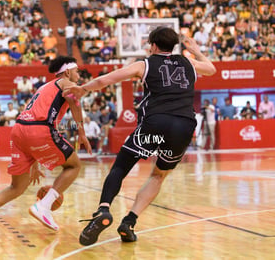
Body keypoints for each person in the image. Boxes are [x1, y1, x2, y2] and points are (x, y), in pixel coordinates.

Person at [63, 27, 216, 246]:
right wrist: (196, 51)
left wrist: (83, 89)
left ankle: (103, 210)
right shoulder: (189, 63)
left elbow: (106, 80)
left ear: (153, 45)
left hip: (156, 123)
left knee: (120, 168)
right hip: (184, 125)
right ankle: (129, 221)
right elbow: (211, 69)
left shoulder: (145, 64)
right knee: (158, 175)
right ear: (174, 46)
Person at [0, 56, 92, 237]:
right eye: (77, 71)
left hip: (19, 130)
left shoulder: (43, 87)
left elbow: (31, 118)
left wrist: (34, 160)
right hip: (39, 130)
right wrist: (81, 132)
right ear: (67, 72)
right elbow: (74, 102)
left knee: (17, 187)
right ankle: (44, 205)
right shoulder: (65, 82)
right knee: (74, 165)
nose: (79, 74)